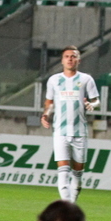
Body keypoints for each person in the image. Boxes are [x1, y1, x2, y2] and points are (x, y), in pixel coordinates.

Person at [42, 46, 99, 203]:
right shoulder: (54, 80)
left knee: (77, 173)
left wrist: (92, 105)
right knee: (63, 170)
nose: (70, 59)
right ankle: (68, 206)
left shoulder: (86, 79)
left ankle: (72, 200)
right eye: (67, 56)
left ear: (78, 60)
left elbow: (96, 100)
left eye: (73, 56)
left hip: (80, 131)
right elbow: (49, 102)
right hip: (60, 130)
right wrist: (46, 114)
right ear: (62, 60)